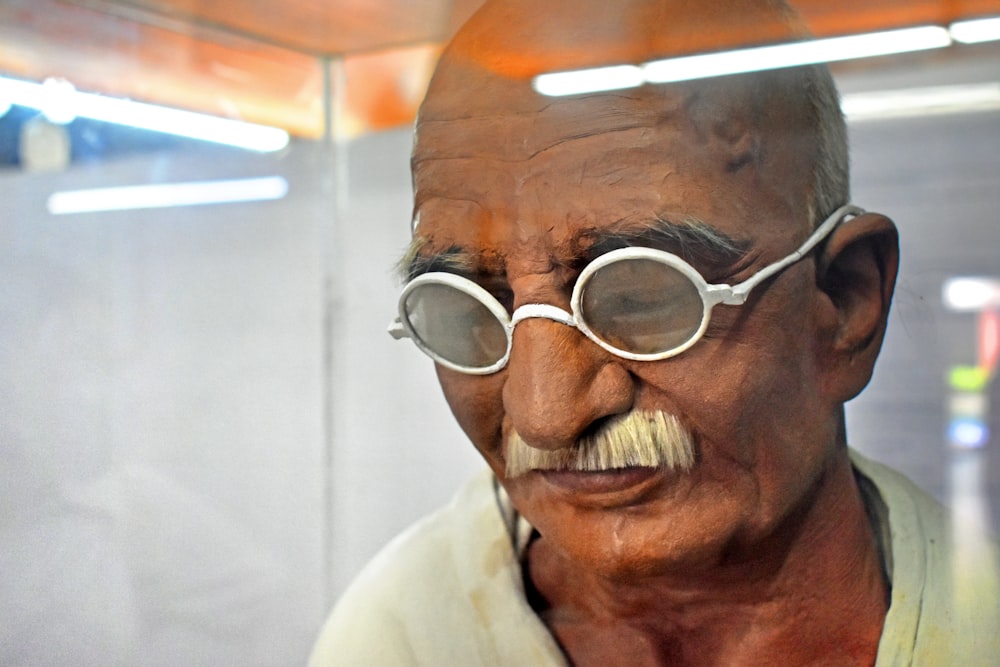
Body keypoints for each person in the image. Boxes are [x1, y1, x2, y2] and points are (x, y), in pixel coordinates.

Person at [311, 0, 1000, 664]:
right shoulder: (400, 638)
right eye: (469, 309)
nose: (543, 414)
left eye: (641, 296)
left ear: (846, 303)